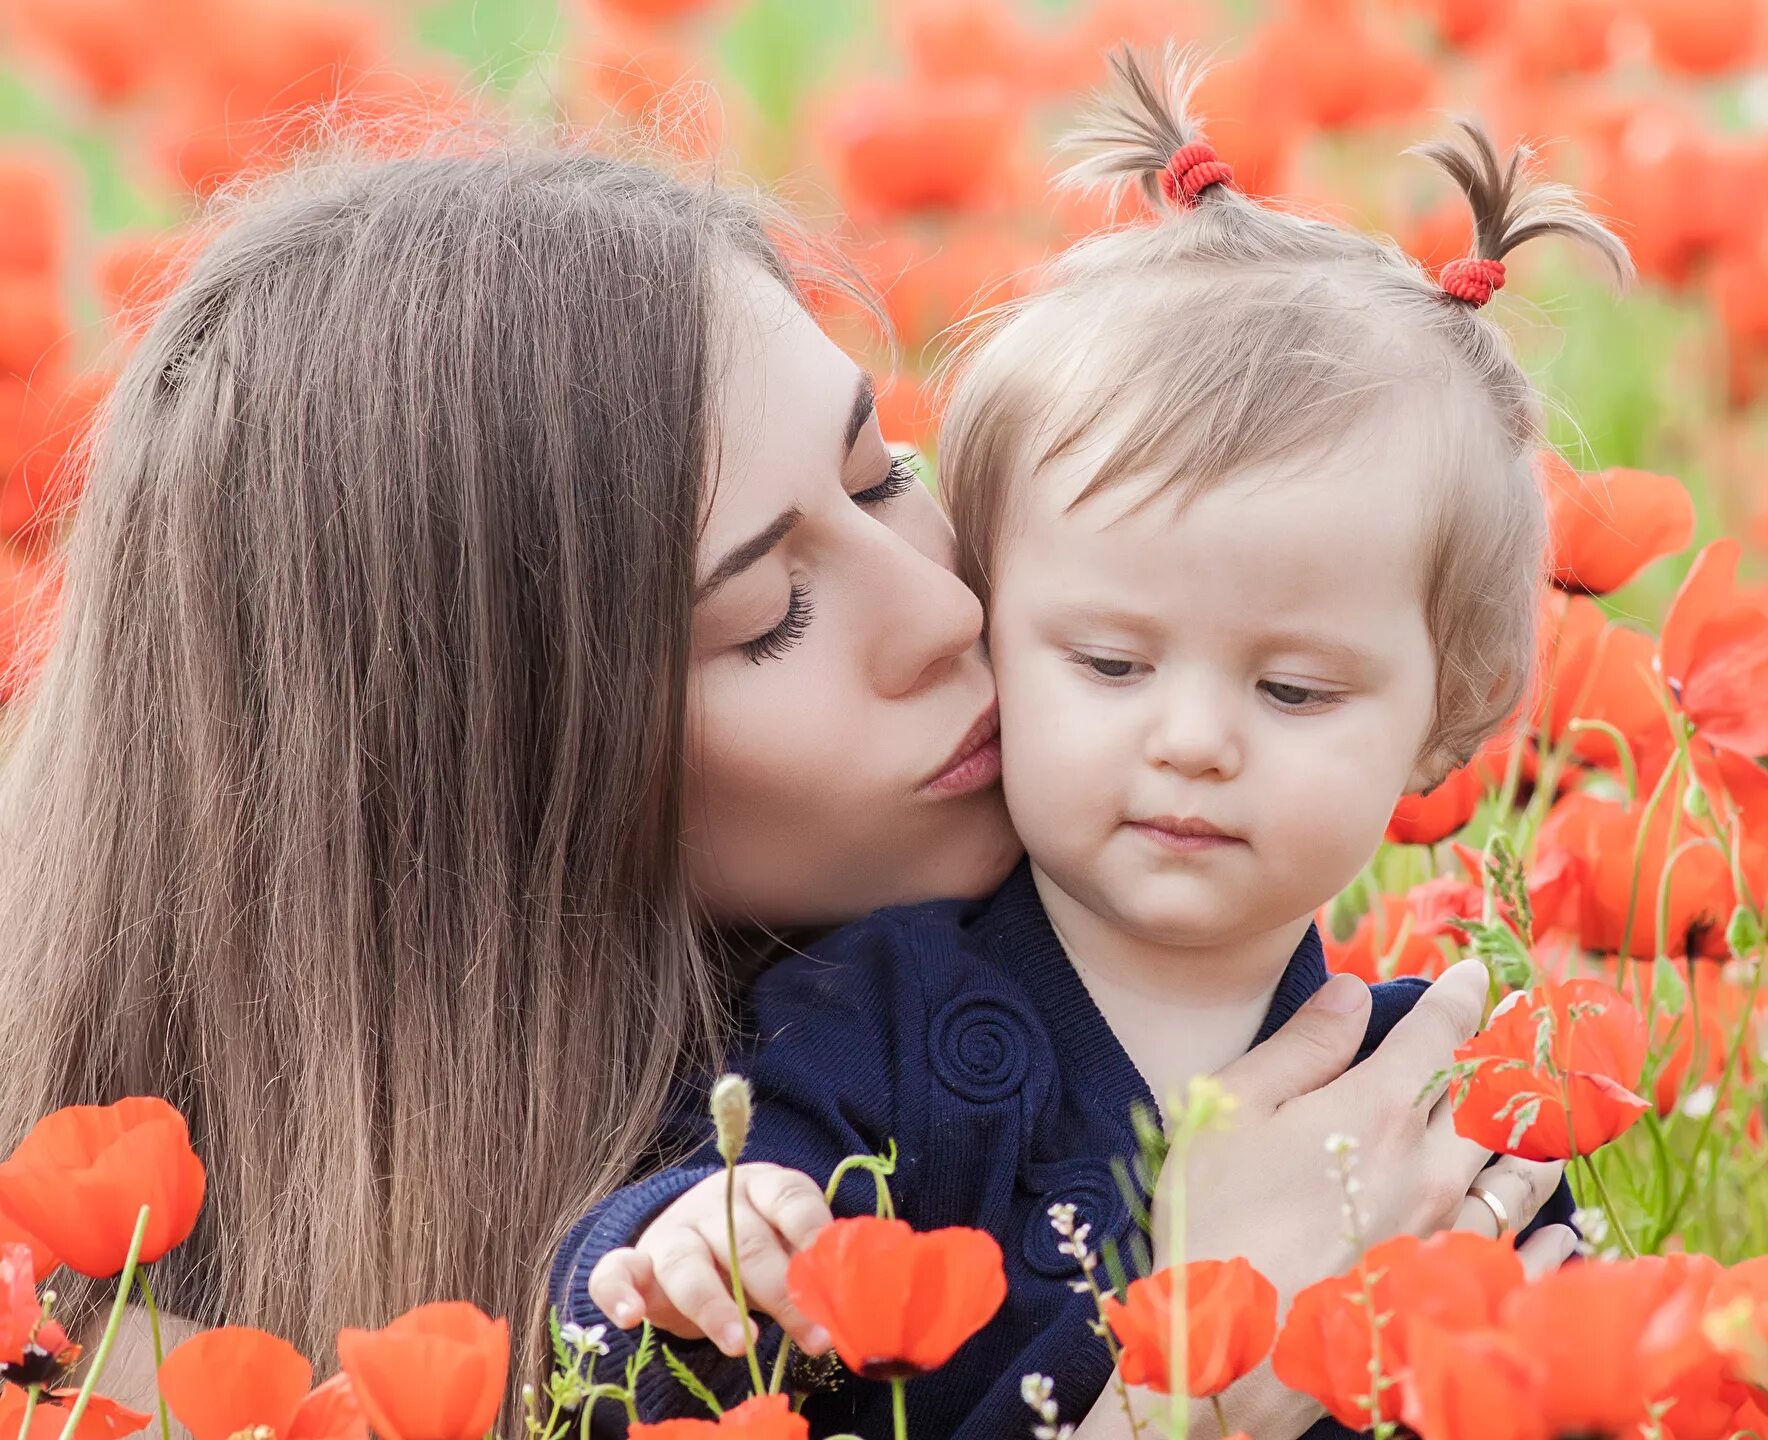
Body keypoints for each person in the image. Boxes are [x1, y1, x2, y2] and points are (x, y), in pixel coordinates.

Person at [0, 132, 1542, 1402]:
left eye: (888, 477)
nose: (954, 613)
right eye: (769, 613)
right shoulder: (125, 1379)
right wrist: (1195, 1377)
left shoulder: (1344, 1035)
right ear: (498, 806)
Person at [556, 48, 1627, 1439]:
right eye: (1112, 665)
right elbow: (647, 1318)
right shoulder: (873, 1016)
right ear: (995, 615)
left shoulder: (1434, 1084)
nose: (1191, 742)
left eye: (1295, 693)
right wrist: (696, 1233)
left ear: (1456, 715)